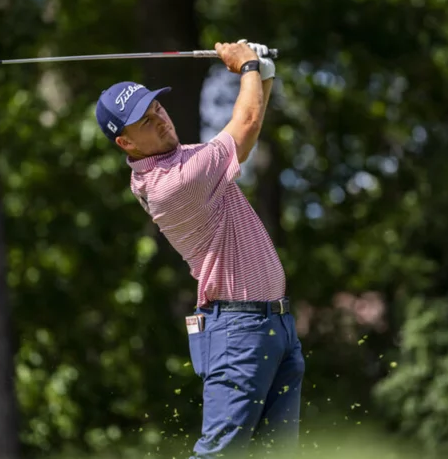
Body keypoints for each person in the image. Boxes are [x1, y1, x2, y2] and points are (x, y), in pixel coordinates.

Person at [94, 40, 305, 458]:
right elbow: (243, 126)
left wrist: (262, 72)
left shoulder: (184, 159)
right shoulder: (172, 184)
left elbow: (251, 122)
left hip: (275, 326)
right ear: (126, 144)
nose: (160, 119)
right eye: (145, 121)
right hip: (237, 332)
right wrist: (246, 65)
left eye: (157, 109)